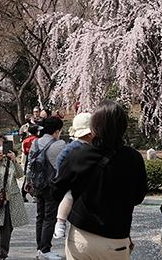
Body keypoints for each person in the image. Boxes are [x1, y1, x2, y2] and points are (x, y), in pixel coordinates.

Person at [53, 100, 147, 260]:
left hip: (81, 237)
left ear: (94, 126)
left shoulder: (78, 155)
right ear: (123, 127)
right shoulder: (134, 158)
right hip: (116, 239)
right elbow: (138, 197)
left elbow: (56, 190)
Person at [27, 116, 65, 260]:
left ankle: (40, 248)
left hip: (37, 184)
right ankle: (45, 249)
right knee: (49, 217)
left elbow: (30, 165)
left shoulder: (35, 143)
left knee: (40, 216)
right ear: (57, 130)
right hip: (50, 185)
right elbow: (61, 167)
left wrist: (28, 182)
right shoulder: (59, 144)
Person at [52, 112, 93, 239]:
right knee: (68, 197)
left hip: (76, 179)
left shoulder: (80, 146)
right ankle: (60, 222)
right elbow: (60, 161)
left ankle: (61, 223)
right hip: (72, 179)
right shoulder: (74, 148)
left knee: (69, 198)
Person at [21, 124, 40, 201]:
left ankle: (23, 195)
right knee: (36, 178)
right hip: (37, 160)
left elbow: (24, 152)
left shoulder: (25, 140)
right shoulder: (38, 140)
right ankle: (35, 195)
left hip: (28, 159)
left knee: (27, 178)